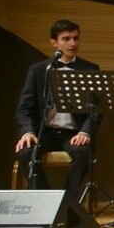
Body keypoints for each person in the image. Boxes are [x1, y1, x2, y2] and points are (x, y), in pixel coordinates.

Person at [14, 19, 100, 195]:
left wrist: (85, 132)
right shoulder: (38, 70)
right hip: (43, 132)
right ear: (54, 43)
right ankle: (44, 200)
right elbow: (24, 107)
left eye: (76, 38)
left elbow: (97, 110)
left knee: (83, 152)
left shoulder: (90, 69)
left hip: (73, 133)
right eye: (66, 39)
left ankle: (66, 202)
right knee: (25, 152)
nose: (72, 43)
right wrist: (27, 132)